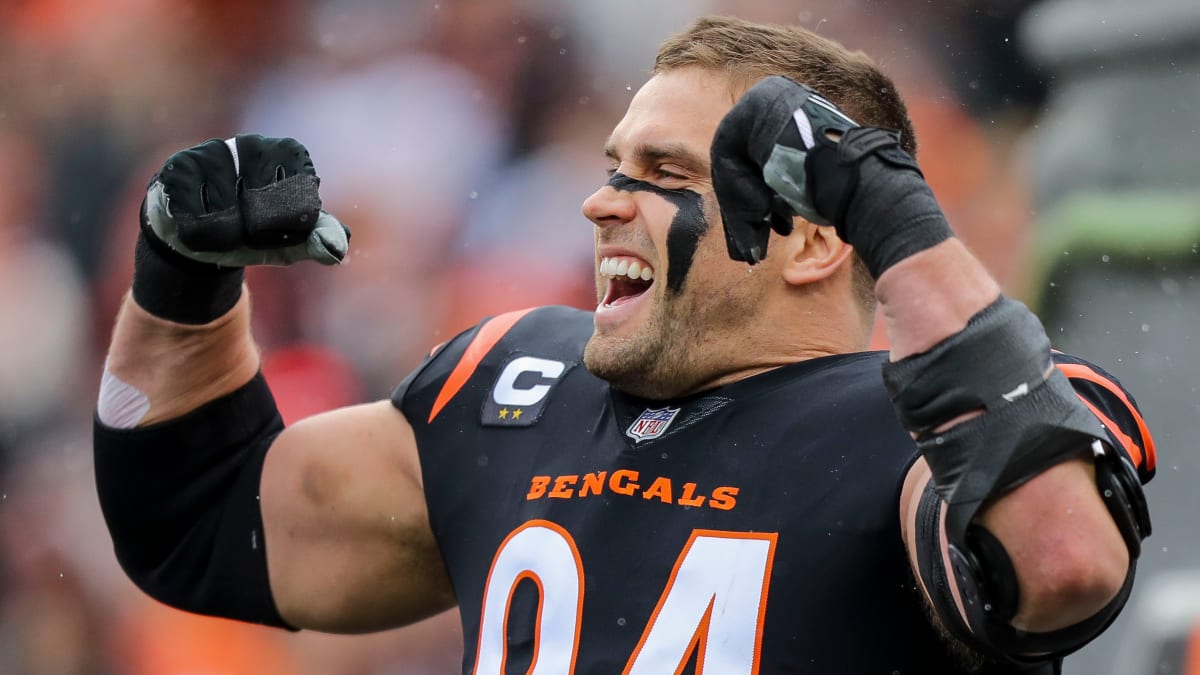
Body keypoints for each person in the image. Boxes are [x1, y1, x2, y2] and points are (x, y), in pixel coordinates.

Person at [93, 15, 1155, 674]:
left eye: (665, 173)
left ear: (819, 238)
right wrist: (181, 287)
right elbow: (205, 524)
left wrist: (896, 211)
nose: (603, 203)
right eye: (614, 163)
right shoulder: (513, 384)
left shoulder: (942, 427)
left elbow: (1058, 564)